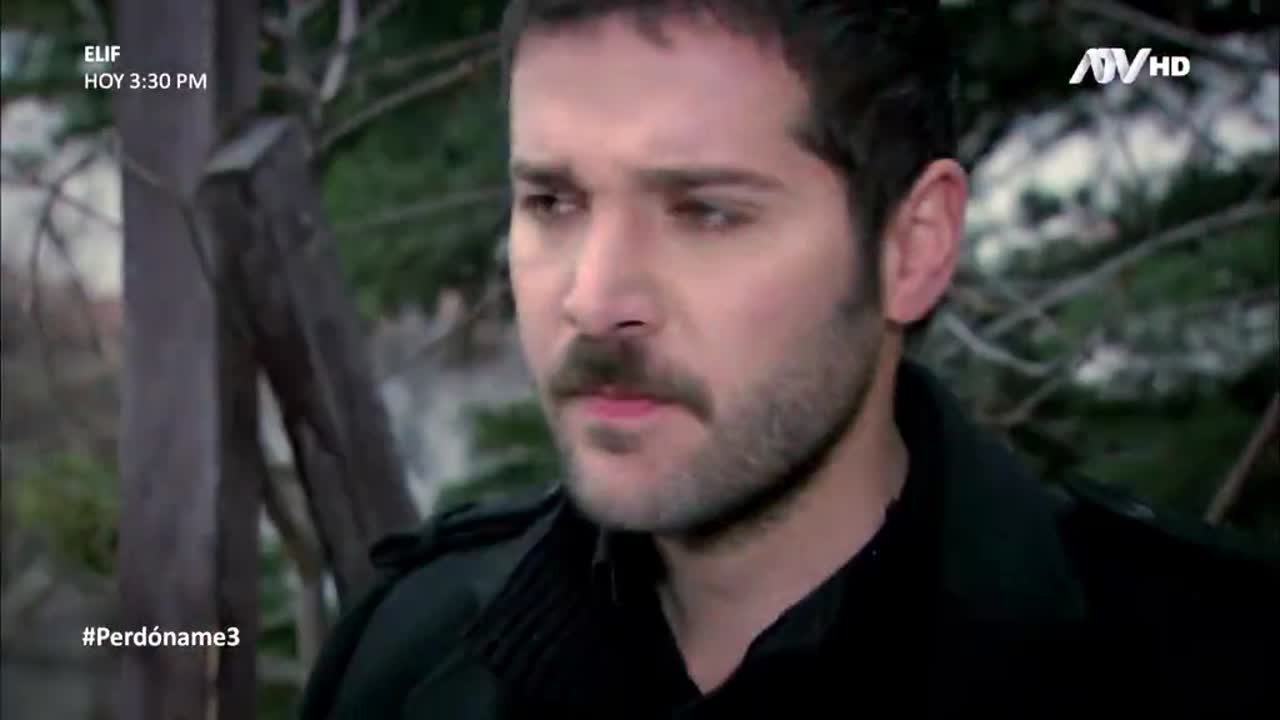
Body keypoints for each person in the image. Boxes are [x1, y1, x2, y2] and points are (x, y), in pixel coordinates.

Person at [298, 1, 1279, 718]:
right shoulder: (406, 655)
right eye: (553, 203)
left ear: (912, 247)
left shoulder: (1211, 669)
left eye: (705, 212)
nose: (593, 301)